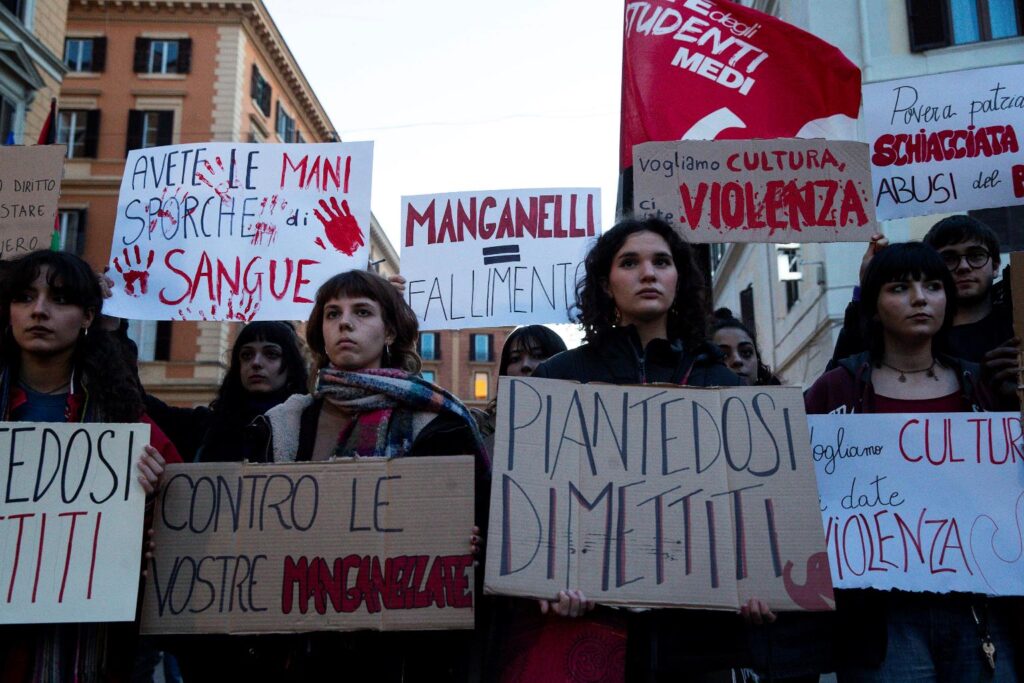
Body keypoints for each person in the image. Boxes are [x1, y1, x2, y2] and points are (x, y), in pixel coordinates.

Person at [521, 217, 743, 682]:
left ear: (678, 279)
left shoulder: (721, 384)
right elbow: (536, 499)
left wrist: (761, 578)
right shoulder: (559, 379)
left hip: (698, 642)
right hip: (591, 632)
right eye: (630, 262)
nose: (648, 273)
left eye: (661, 262)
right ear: (606, 283)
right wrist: (543, 576)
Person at [252, 269, 487, 682]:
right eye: (332, 313)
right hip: (304, 652)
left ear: (391, 332)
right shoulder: (281, 426)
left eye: (362, 312)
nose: (345, 323)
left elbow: (483, 527)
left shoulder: (439, 424)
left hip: (406, 658)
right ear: (320, 331)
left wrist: (469, 541)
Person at [805, 242, 1015, 681]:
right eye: (900, 287)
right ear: (875, 308)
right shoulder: (836, 391)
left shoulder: (985, 387)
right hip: (880, 618)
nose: (920, 298)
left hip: (978, 608)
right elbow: (799, 491)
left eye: (933, 286)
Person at [0, 250, 180, 683]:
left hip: (82, 643)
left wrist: (153, 506)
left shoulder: (124, 420)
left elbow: (180, 512)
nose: (39, 311)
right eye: (25, 297)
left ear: (87, 317)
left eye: (59, 299)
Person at [831, 216, 1018, 406]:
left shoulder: (1017, 327)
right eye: (949, 258)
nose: (963, 267)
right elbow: (838, 383)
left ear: (995, 265)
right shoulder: (906, 336)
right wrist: (867, 289)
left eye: (976, 255)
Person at [144, 320, 308, 462]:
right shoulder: (204, 427)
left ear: (291, 365)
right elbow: (137, 400)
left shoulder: (310, 424)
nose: (256, 363)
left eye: (271, 354)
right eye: (246, 355)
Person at [710, 308, 781, 386]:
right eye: (724, 355)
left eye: (746, 352)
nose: (737, 360)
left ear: (758, 361)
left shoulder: (784, 397)